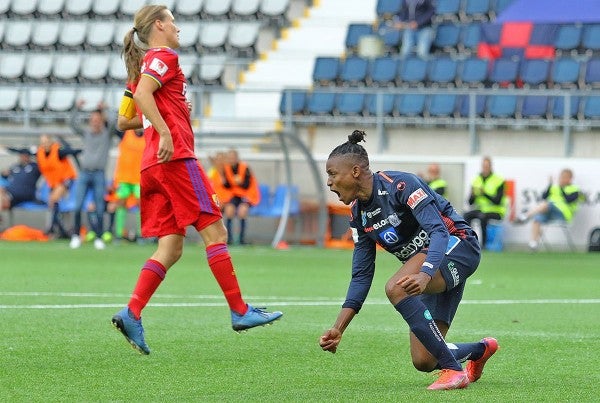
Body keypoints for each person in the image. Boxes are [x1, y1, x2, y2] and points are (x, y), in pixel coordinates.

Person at [111, 4, 282, 355]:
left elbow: (124, 120)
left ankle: (132, 312)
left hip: (151, 166)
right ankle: (239, 310)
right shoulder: (163, 57)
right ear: (159, 25)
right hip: (175, 159)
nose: (178, 29)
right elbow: (143, 96)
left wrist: (169, 115)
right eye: (173, 22)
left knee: (171, 247)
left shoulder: (141, 67)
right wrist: (167, 130)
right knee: (215, 233)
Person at [318, 130, 498, 390]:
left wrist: (424, 274)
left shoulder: (400, 185)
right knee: (424, 360)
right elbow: (361, 275)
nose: (329, 183)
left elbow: (438, 231)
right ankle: (480, 350)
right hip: (428, 268)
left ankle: (454, 371)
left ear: (355, 171)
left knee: (397, 287)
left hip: (457, 246)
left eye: (332, 174)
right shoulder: (358, 215)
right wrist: (339, 328)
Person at [68, 101, 119, 250]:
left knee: (99, 207)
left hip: (99, 174)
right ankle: (76, 235)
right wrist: (76, 108)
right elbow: (72, 124)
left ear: (101, 120)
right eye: (93, 120)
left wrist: (108, 109)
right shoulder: (86, 133)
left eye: (98, 120)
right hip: (84, 173)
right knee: (77, 206)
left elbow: (115, 122)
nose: (95, 122)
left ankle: (98, 236)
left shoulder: (106, 135)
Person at [514, 168, 582, 251]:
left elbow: (569, 199)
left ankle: (525, 216)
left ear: (570, 178)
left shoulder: (575, 189)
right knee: (537, 219)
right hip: (550, 212)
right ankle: (533, 244)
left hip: (563, 214)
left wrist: (561, 188)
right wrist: (550, 185)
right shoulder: (554, 187)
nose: (562, 179)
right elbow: (543, 197)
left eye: (564, 177)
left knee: (547, 204)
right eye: (561, 177)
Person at [36, 134, 79, 238]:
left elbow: (72, 151)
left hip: (66, 180)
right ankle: (64, 229)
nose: (45, 145)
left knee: (53, 200)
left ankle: (53, 227)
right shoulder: (40, 153)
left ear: (51, 142)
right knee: (57, 205)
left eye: (46, 142)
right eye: (42, 143)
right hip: (54, 183)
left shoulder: (59, 152)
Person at [463, 156, 507, 250]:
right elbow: (470, 202)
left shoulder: (499, 180)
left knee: (483, 217)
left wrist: (484, 193)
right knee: (466, 215)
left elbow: (497, 201)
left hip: (496, 211)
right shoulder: (476, 180)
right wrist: (473, 195)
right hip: (481, 209)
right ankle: (468, 241)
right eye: (483, 166)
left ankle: (483, 245)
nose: (485, 168)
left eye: (487, 166)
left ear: (491, 166)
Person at [222, 149, 261, 245]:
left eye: (233, 157)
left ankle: (242, 239)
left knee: (242, 211)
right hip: (234, 195)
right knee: (229, 210)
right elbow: (227, 185)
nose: (231, 159)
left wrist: (240, 182)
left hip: (245, 195)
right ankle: (229, 239)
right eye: (229, 157)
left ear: (237, 158)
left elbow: (247, 185)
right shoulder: (226, 168)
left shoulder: (244, 167)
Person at [0, 147, 41, 212]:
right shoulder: (15, 166)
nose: (23, 157)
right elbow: (4, 175)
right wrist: (4, 173)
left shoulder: (34, 167)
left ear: (29, 156)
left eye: (25, 155)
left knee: (3, 198)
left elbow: (45, 161)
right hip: (11, 192)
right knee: (1, 191)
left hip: (24, 193)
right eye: (21, 155)